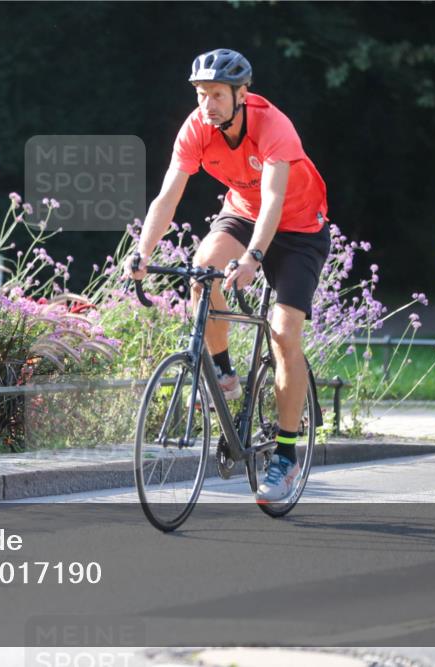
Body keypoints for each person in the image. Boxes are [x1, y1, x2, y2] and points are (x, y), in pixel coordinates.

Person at [126, 48, 330, 504]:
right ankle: (224, 375)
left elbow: (275, 198)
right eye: (202, 94)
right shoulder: (196, 128)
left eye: (217, 94)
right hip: (241, 214)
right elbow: (168, 196)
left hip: (298, 229)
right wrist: (142, 252)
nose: (208, 103)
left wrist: (255, 257)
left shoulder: (272, 125)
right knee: (202, 275)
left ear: (242, 93)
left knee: (282, 335)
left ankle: (285, 453)